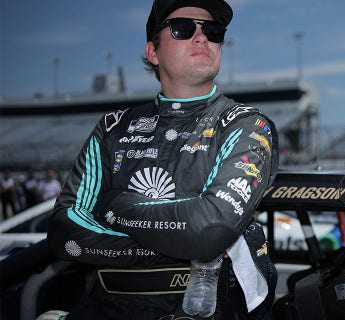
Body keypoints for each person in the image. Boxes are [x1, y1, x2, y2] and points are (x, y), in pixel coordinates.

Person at [46, 1, 279, 319]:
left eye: (212, 31)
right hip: (107, 302)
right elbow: (65, 231)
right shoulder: (114, 127)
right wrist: (170, 246)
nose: (202, 37)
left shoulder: (245, 123)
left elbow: (210, 230)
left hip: (205, 306)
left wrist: (116, 207)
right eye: (183, 28)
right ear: (152, 52)